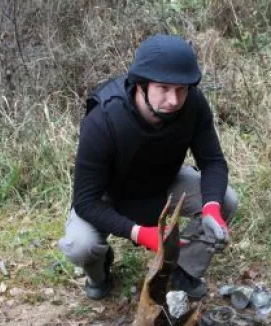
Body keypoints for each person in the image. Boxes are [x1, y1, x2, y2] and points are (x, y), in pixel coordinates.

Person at [58, 34, 239, 300]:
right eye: (164, 88)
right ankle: (100, 270)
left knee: (225, 199)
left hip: (163, 183)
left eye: (182, 89)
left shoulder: (194, 105)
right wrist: (140, 233)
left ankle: (183, 271)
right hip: (110, 196)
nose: (175, 99)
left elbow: (212, 162)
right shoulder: (104, 119)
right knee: (79, 245)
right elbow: (85, 201)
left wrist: (211, 207)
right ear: (141, 84)